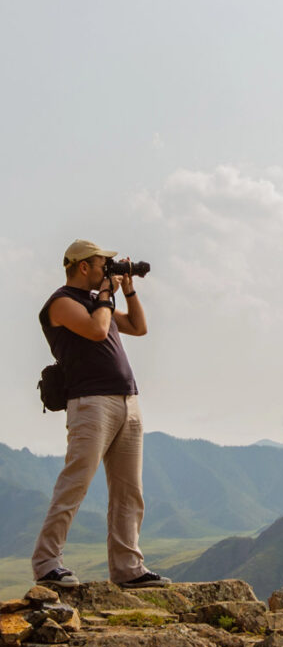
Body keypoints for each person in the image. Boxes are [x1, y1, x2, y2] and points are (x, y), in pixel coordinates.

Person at [32, 239, 171, 589]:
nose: (105, 270)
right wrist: (107, 295)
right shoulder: (61, 303)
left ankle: (128, 568)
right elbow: (96, 331)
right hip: (90, 402)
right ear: (83, 267)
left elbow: (139, 327)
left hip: (127, 400)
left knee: (129, 490)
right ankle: (47, 562)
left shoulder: (100, 302)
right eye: (101, 265)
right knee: (75, 483)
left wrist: (128, 291)